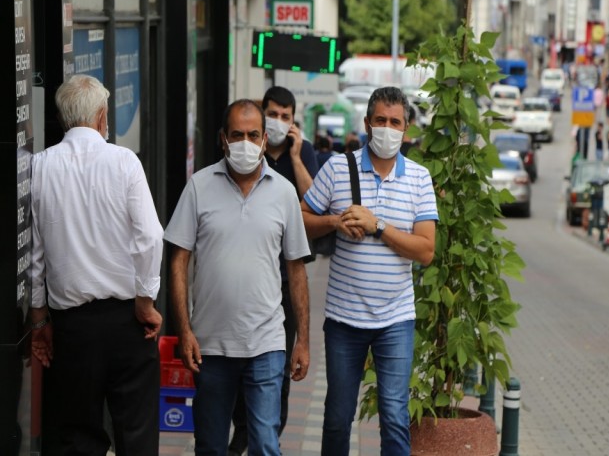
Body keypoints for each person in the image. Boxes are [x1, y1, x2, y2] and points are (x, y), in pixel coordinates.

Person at [165, 99, 311, 456]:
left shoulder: (284, 193)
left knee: (264, 442)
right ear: (222, 139)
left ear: (264, 140)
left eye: (253, 134)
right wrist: (184, 331)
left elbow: (296, 269)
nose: (245, 142)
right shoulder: (199, 187)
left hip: (267, 343)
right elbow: (178, 262)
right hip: (210, 346)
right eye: (237, 134)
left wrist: (303, 341)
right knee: (211, 445)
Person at [30, 74, 164, 455]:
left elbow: (36, 255)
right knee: (135, 433)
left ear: (61, 117)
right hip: (128, 322)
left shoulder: (40, 167)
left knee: (77, 438)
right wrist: (145, 300)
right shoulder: (124, 162)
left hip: (72, 329)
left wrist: (40, 321)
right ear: (103, 115)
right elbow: (151, 237)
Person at [301, 87, 439, 455]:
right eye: (381, 121)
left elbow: (425, 250)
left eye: (396, 122)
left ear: (406, 129)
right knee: (337, 416)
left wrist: (378, 226)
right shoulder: (337, 168)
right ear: (367, 123)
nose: (388, 129)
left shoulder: (419, 179)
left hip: (396, 319)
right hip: (344, 319)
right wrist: (334, 221)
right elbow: (301, 219)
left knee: (394, 416)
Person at [228, 86, 319, 454]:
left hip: (282, 283)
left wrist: (296, 157)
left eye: (286, 116)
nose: (279, 121)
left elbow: (313, 204)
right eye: (273, 114)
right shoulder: (241, 155)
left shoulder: (304, 153)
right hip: (241, 283)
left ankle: (267, 436)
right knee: (236, 365)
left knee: (276, 370)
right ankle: (244, 432)